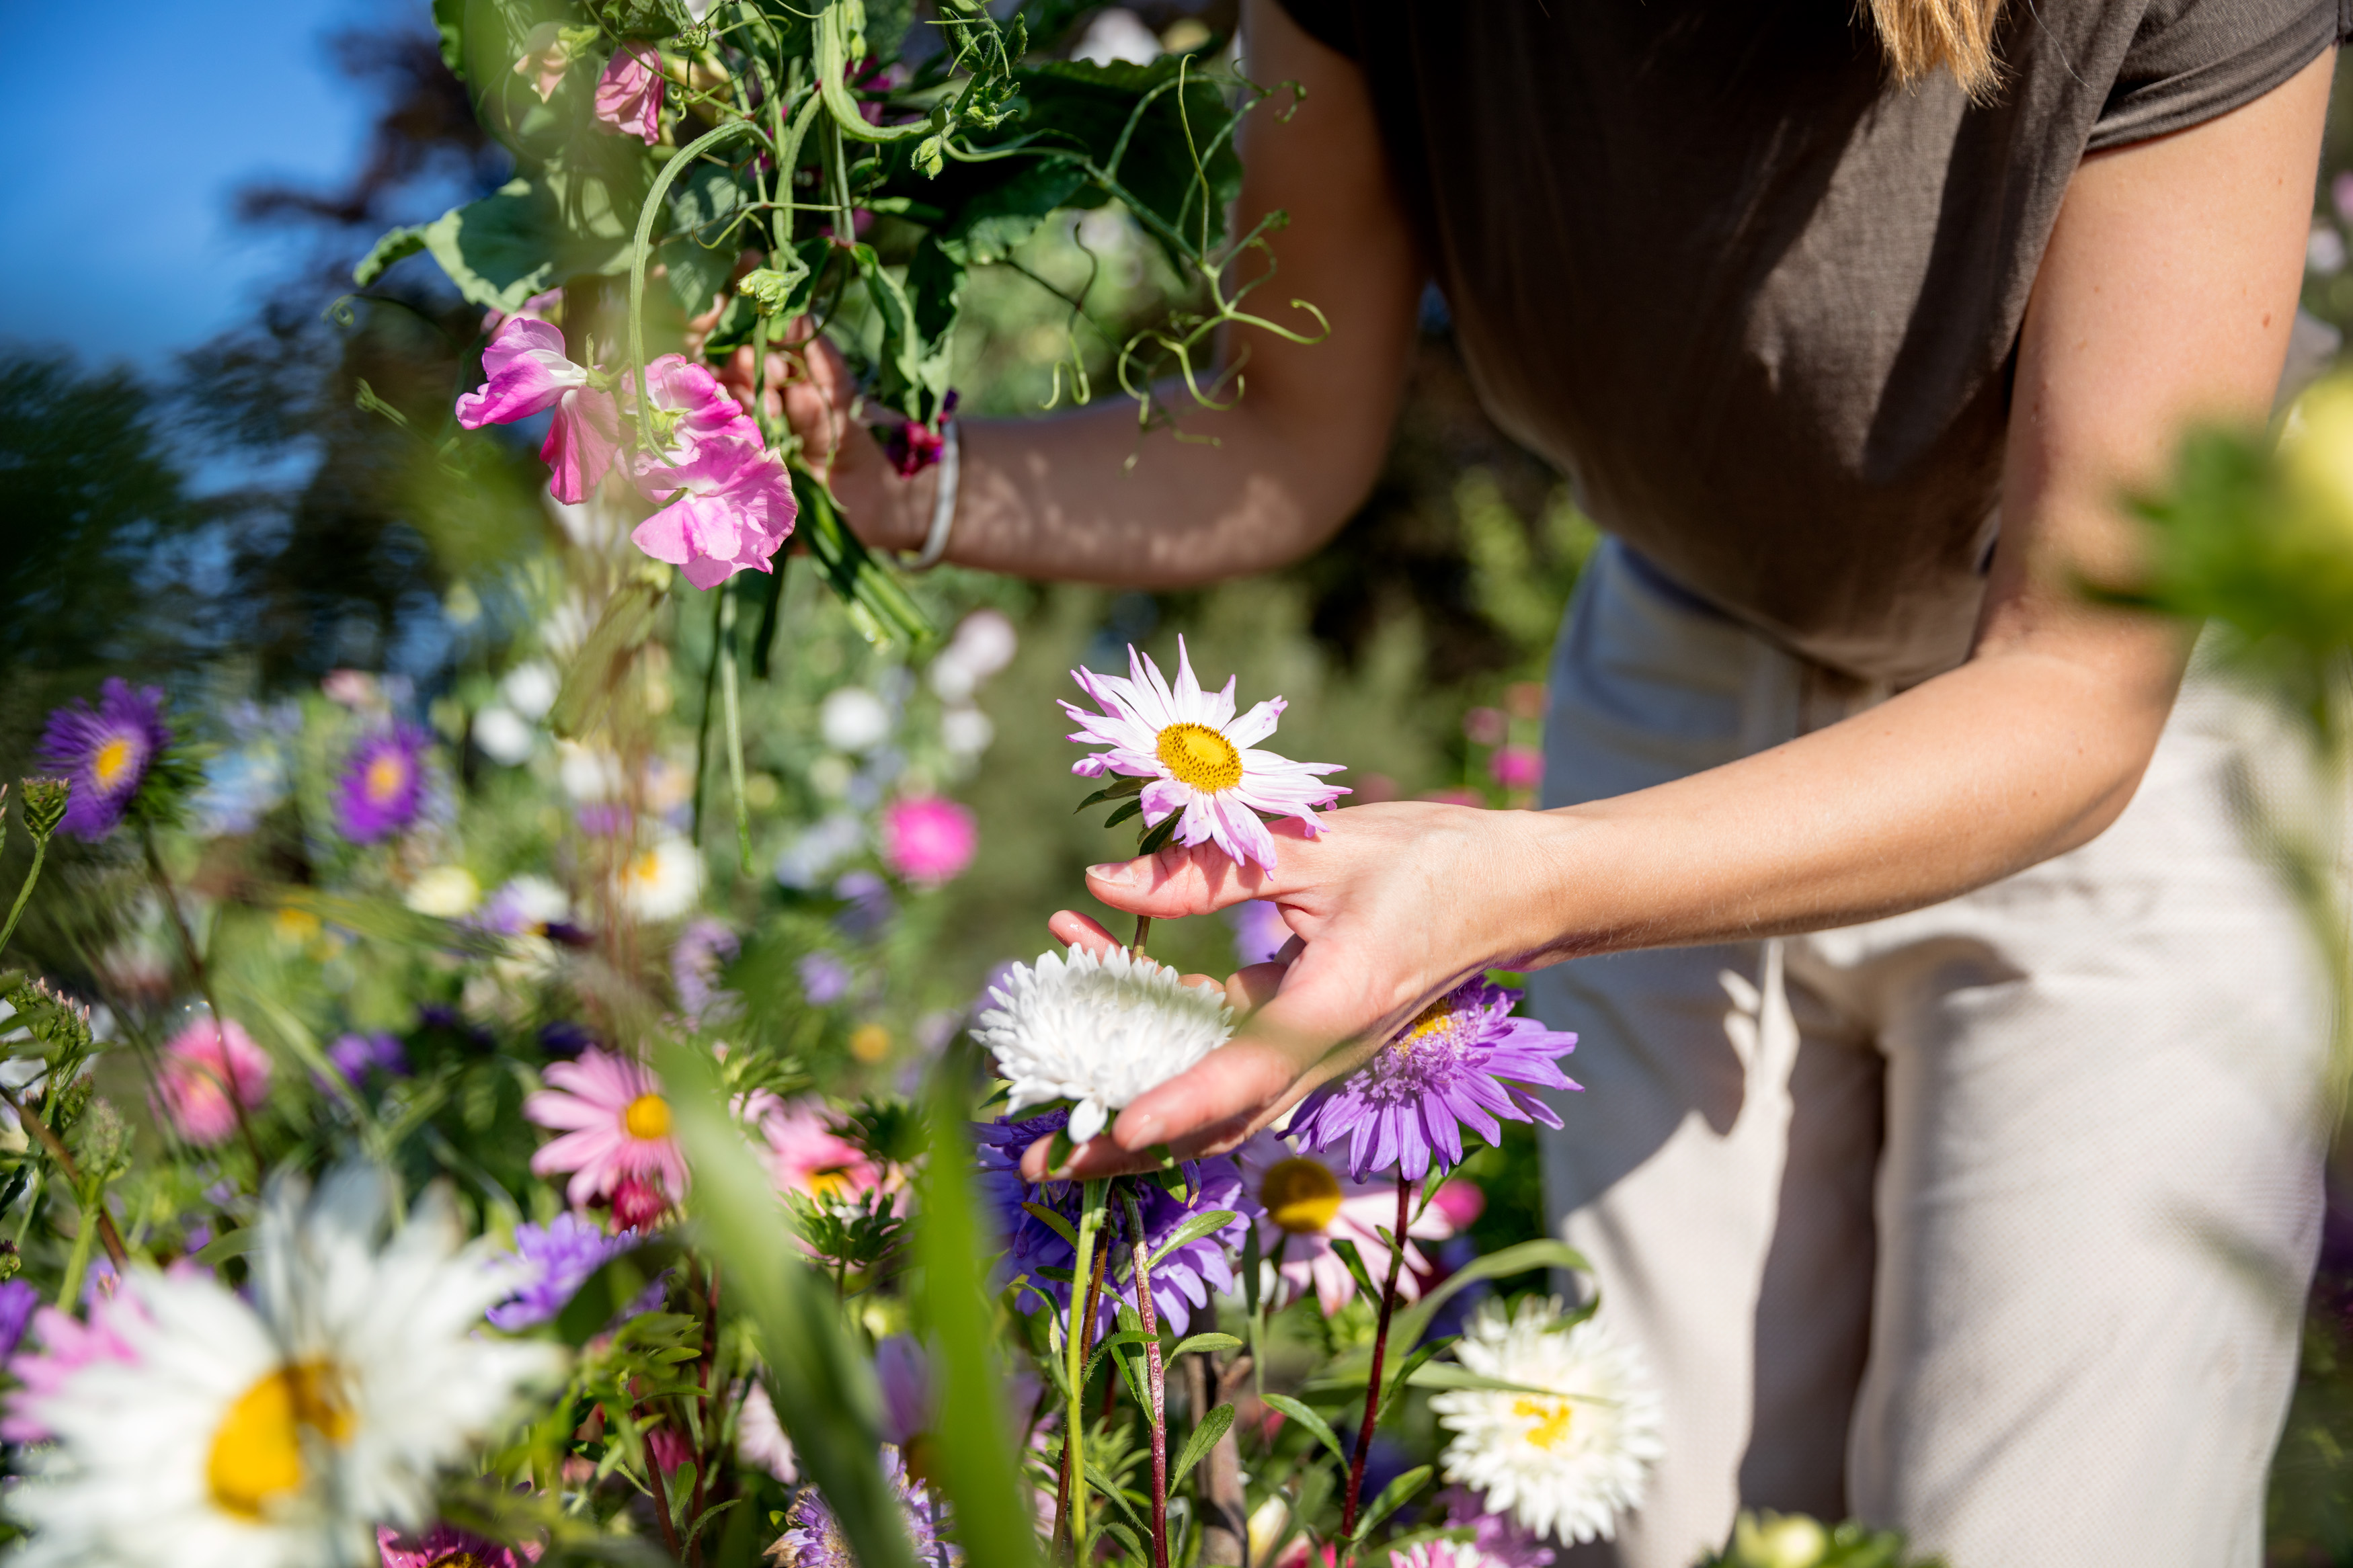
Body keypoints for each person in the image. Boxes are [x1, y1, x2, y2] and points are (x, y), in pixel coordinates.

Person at [785, 3, 2346, 1563]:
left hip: (2131, 760)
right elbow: (1280, 434)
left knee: (2040, 1525)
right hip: (1680, 668)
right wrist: (877, 474)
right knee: (1640, 1509)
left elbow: (2075, 684)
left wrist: (1508, 890)